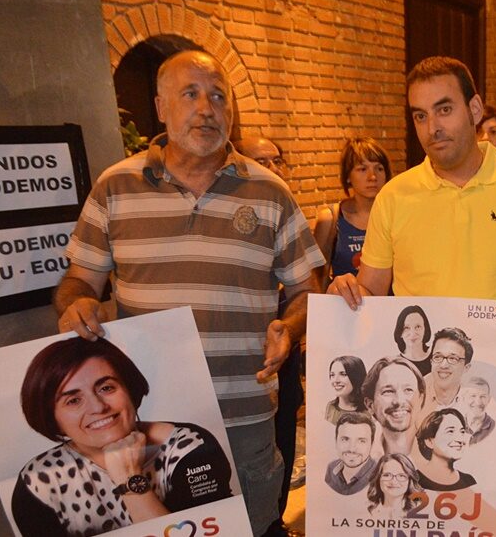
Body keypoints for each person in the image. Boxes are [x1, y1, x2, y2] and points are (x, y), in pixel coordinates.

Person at [53, 50, 324, 537]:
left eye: (219, 97)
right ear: (161, 107)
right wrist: (76, 304)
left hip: (244, 415)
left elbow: (307, 288)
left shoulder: (271, 192)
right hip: (149, 421)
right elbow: (80, 281)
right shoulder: (115, 187)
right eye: (191, 94)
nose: (206, 109)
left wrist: (290, 327)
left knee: (254, 527)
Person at [328, 56, 496, 537]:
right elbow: (371, 288)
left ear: (474, 108)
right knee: (423, 519)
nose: (432, 127)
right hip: (421, 395)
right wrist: (345, 291)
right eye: (419, 115)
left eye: (444, 109)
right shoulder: (395, 196)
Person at [12, 336, 232, 537]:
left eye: (106, 388)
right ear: (51, 417)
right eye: (73, 401)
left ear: (129, 388)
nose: (98, 407)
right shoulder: (39, 481)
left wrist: (129, 480)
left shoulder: (191, 447)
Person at [234, 135, 305, 537]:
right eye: (262, 160)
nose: (273, 168)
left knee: (284, 420)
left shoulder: (281, 203)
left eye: (278, 160)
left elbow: (305, 286)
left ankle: (274, 518)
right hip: (242, 347)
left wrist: (292, 327)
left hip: (281, 329)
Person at [312, 137, 392, 290]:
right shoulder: (330, 218)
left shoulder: (397, 215)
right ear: (348, 176)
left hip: (390, 303)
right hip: (346, 302)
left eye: (379, 169)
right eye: (362, 169)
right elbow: (317, 278)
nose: (372, 177)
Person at [362, 356, 426, 456]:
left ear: (420, 400)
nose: (399, 401)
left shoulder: (439, 452)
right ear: (370, 405)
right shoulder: (360, 457)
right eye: (388, 391)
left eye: (408, 390)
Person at [415, 408, 476, 491]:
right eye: (450, 431)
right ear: (429, 441)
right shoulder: (413, 480)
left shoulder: (468, 481)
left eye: (462, 432)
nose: (460, 439)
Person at [421, 327, 473, 416]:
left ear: (466, 367)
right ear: (431, 362)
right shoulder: (413, 397)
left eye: (453, 358)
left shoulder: (474, 402)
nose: (443, 365)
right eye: (438, 357)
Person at [324, 412, 378, 496]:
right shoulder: (331, 468)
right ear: (336, 441)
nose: (352, 449)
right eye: (345, 439)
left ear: (372, 444)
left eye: (361, 441)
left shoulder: (379, 475)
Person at [366, 453, 425, 519]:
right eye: (387, 475)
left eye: (401, 476)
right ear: (378, 479)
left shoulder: (422, 512)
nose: (393, 481)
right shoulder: (367, 513)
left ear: (410, 481)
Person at [326, 355, 368, 425]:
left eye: (343, 374)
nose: (335, 380)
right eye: (332, 375)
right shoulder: (331, 407)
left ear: (356, 378)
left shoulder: (368, 412)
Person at [393, 305, 434, 376]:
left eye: (418, 327)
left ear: (425, 329)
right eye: (406, 328)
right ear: (400, 333)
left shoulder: (436, 359)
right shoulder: (395, 365)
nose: (412, 333)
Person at [459, 376, 495, 444]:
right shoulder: (456, 424)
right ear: (463, 398)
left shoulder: (495, 427)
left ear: (489, 399)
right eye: (473, 396)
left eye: (483, 396)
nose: (478, 402)